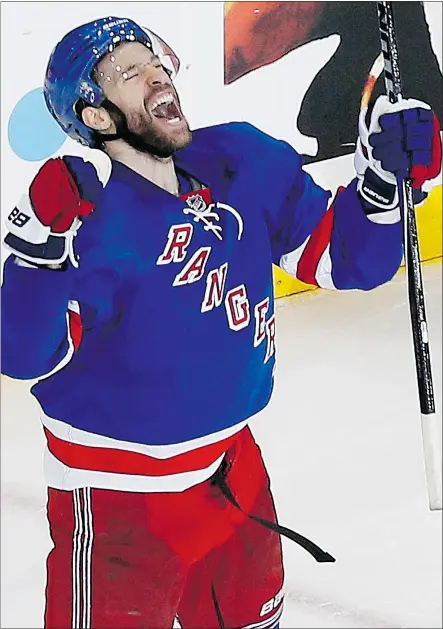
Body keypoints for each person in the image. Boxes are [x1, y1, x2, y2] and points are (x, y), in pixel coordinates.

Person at [1, 15, 441, 629]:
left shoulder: (238, 160)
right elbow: (25, 355)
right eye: (130, 73)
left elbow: (348, 261)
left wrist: (383, 185)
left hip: (232, 477)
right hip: (119, 509)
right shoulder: (90, 220)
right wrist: (40, 252)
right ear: (97, 116)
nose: (157, 76)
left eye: (155, 62)